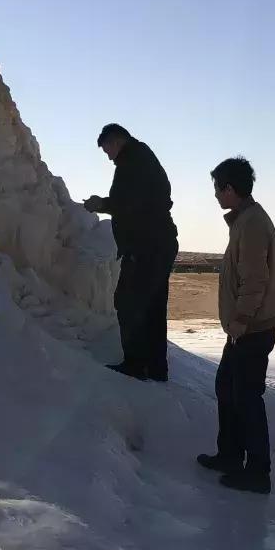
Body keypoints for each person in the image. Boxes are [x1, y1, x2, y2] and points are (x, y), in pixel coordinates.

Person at [196, 157, 275, 494]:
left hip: (252, 327)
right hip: (246, 326)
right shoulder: (245, 221)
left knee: (246, 395)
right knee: (228, 388)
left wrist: (241, 320)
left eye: (218, 189)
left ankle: (257, 470)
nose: (216, 196)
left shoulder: (251, 224)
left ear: (230, 189)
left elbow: (254, 280)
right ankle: (230, 455)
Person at [84, 124, 178, 381]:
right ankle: (157, 368)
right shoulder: (141, 157)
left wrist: (101, 204)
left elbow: (130, 203)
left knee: (128, 302)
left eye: (107, 150)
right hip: (159, 241)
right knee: (154, 306)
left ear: (116, 141)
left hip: (146, 245)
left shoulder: (133, 161)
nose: (108, 156)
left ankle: (135, 365)